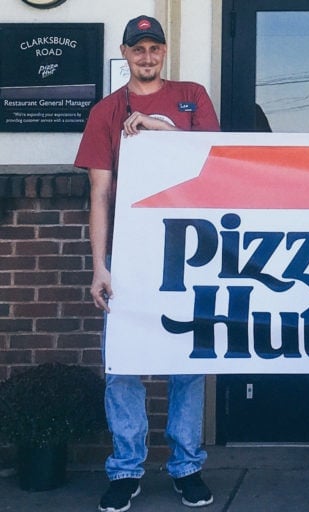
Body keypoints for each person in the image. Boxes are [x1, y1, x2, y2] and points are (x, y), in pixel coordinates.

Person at [74, 15, 220, 512]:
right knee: (123, 364)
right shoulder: (107, 111)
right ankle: (126, 468)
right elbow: (99, 192)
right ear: (125, 51)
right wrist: (100, 265)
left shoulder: (192, 95)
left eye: (155, 47)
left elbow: (213, 159)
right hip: (130, 253)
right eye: (139, 48)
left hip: (189, 249)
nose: (148, 56)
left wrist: (160, 128)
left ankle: (186, 466)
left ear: (164, 52)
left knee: (186, 361)